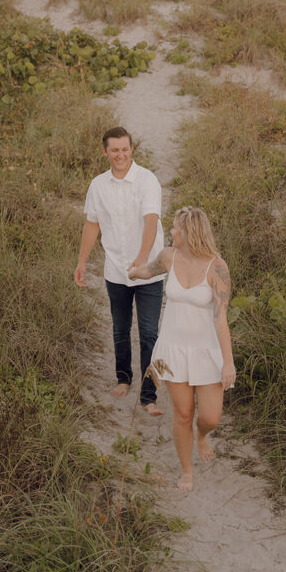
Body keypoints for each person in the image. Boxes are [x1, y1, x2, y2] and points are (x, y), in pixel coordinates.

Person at [128, 206, 236, 491]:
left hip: (205, 351)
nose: (171, 231)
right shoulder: (168, 256)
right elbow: (146, 270)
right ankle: (187, 470)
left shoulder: (218, 267)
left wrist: (228, 362)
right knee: (184, 413)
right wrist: (132, 272)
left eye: (175, 227)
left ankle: (202, 436)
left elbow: (220, 317)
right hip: (173, 350)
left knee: (210, 417)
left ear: (189, 233)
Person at [74, 127, 165, 415]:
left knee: (150, 332)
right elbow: (92, 224)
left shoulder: (147, 180)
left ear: (131, 149)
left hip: (149, 270)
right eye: (114, 150)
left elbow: (151, 221)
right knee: (120, 329)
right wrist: (82, 261)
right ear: (105, 152)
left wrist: (141, 260)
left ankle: (149, 395)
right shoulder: (98, 185)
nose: (120, 155)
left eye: (124, 149)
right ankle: (123, 378)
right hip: (115, 269)